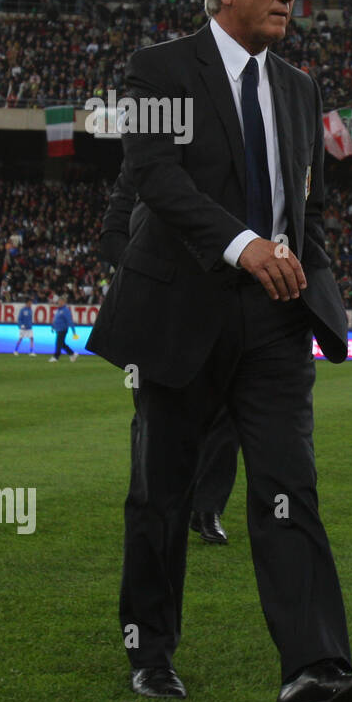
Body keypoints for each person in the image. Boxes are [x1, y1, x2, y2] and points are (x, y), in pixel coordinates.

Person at [86, 0, 352, 702]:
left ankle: (315, 672)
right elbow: (154, 175)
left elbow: (307, 208)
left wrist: (318, 290)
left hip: (276, 325)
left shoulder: (299, 88)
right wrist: (244, 244)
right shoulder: (157, 70)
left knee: (290, 488)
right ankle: (150, 651)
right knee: (162, 494)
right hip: (182, 314)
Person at [99, 161, 239, 547]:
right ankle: (153, 505)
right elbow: (112, 230)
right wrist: (146, 271)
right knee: (153, 412)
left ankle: (208, 509)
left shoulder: (223, 163)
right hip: (156, 308)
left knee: (225, 414)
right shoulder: (144, 161)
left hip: (218, 301)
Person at [49, 298, 77, 362]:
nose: (58, 303)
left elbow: (70, 321)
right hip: (58, 329)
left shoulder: (66, 310)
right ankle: (72, 354)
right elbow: (55, 319)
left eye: (60, 302)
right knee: (62, 344)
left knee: (58, 343)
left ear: (63, 302)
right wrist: (53, 326)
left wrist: (74, 332)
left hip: (63, 329)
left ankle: (56, 357)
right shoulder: (58, 310)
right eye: (58, 302)